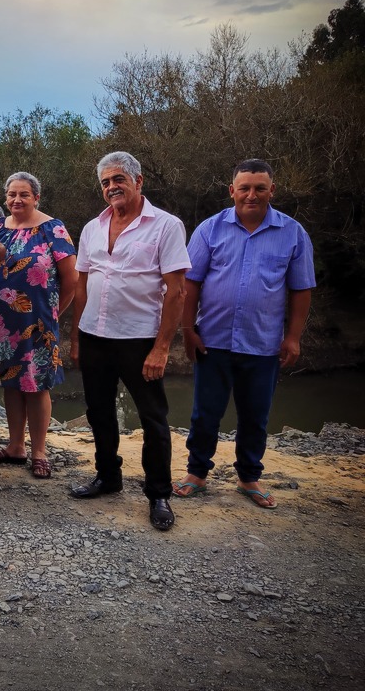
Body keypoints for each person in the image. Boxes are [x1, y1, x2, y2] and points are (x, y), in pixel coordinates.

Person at [173, 159, 315, 509]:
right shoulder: (210, 229)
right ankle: (197, 473)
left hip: (263, 343)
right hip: (213, 340)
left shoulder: (293, 233)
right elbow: (190, 284)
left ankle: (249, 477)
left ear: (272, 191)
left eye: (260, 188)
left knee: (256, 414)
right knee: (205, 412)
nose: (252, 194)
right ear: (232, 190)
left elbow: (301, 289)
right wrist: (187, 330)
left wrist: (293, 337)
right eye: (245, 188)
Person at [69, 151, 190, 532]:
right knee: (99, 412)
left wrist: (161, 347)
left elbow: (176, 292)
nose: (111, 187)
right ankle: (108, 477)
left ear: (138, 181)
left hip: (139, 340)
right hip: (94, 337)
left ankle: (158, 493)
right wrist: (76, 337)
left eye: (118, 179)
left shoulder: (166, 226)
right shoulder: (92, 228)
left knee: (153, 418)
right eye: (105, 182)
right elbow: (82, 285)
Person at [0, 172, 78, 478]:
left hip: (38, 321)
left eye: (24, 194)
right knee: (11, 383)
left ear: (36, 197)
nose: (17, 200)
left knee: (37, 385)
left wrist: (54, 312)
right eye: (11, 194)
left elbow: (72, 279)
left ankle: (39, 451)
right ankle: (15, 446)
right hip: (2, 321)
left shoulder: (53, 228)